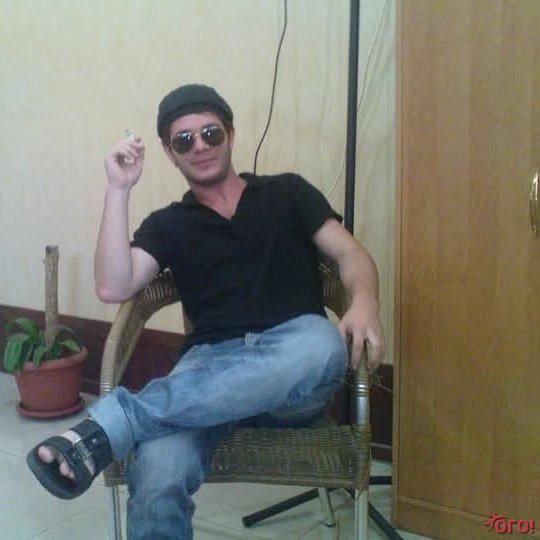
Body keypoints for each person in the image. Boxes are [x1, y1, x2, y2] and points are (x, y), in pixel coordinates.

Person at [26, 84, 385, 539]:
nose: (199, 146)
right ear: (169, 152)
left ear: (230, 134)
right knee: (158, 468)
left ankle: (116, 422)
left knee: (321, 342)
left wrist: (365, 301)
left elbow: (351, 254)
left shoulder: (287, 192)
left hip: (293, 371)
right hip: (207, 372)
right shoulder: (169, 223)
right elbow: (113, 285)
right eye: (184, 140)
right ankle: (121, 426)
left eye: (210, 133)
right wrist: (118, 189)